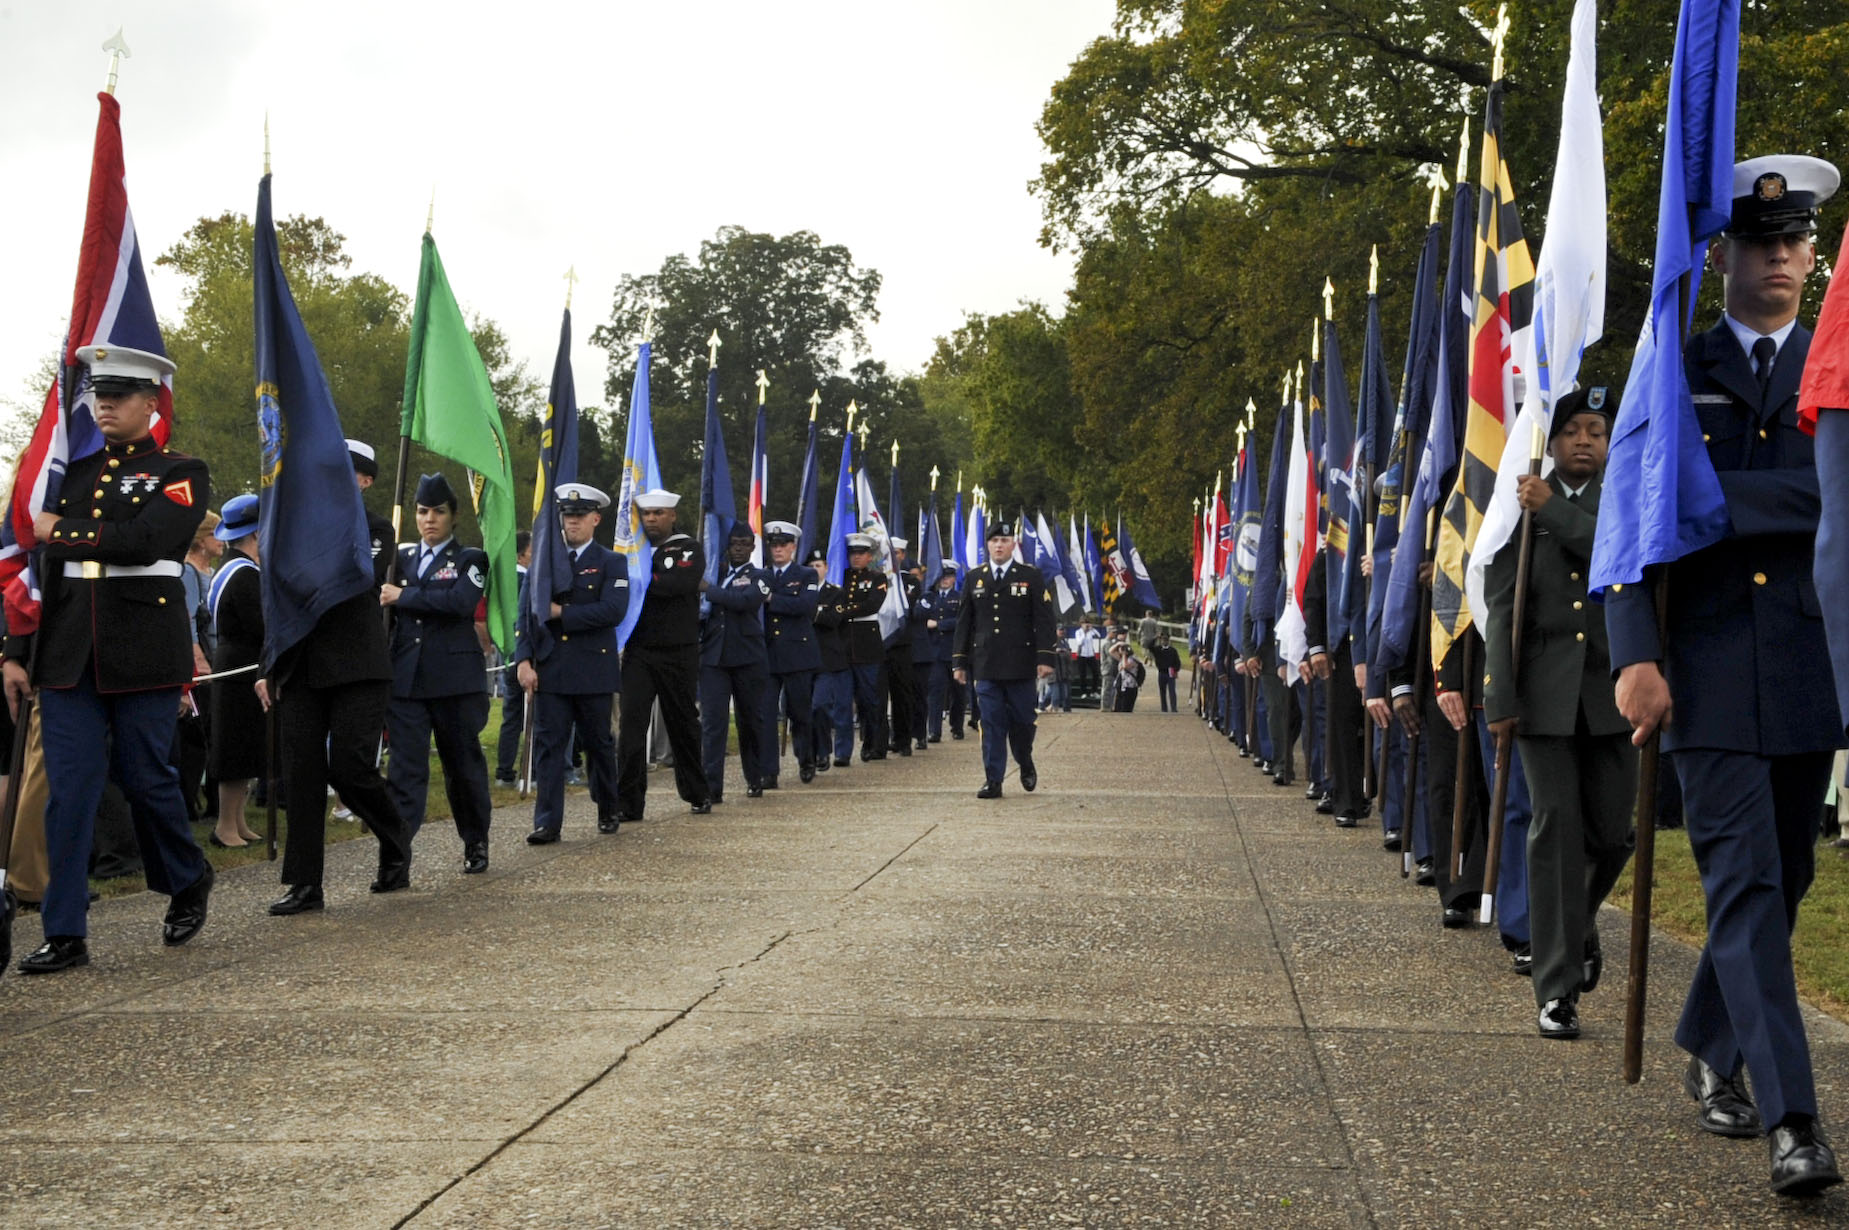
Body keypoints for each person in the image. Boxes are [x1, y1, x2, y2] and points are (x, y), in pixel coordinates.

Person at [1607, 155, 1844, 1196]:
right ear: (1724, 257)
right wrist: (1635, 657)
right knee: (1743, 885)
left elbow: (1828, 510)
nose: (1782, 258)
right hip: (1698, 663)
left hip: (1807, 660)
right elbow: (1631, 521)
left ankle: (1705, 1032)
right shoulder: (1673, 364)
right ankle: (1793, 1119)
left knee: (1785, 878)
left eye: (1795, 242)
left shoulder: (1832, 370)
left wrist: (1702, 501)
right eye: (1761, 244)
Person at [3, 345, 215, 972]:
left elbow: (146, 540)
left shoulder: (181, 471)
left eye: (120, 396)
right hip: (68, 650)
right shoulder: (70, 473)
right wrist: (17, 650)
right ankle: (65, 929)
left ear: (153, 402)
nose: (106, 405)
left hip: (143, 646)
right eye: (99, 394)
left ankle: (186, 875)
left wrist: (57, 530)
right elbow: (36, 573)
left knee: (147, 778)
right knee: (68, 793)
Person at [1483, 385, 1634, 1041]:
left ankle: (1574, 929)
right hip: (1542, 698)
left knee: (1611, 836)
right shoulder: (1517, 508)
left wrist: (1555, 515)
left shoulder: (1625, 500)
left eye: (1595, 431)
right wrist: (1498, 697)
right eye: (1572, 430)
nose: (1583, 441)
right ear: (1554, 440)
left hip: (1612, 693)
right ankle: (1556, 987)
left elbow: (1619, 561)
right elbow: (1499, 608)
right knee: (1554, 832)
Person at [264, 442, 414, 915]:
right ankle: (305, 883)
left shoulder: (374, 527)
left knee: (350, 766)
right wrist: (269, 664)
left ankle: (395, 841)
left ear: (364, 480)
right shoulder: (292, 524)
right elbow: (275, 596)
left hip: (357, 664)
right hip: (302, 663)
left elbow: (359, 576)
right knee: (302, 774)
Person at [380, 473, 494, 875]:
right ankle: (395, 857)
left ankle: (475, 841)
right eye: (423, 511)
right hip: (407, 682)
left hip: (454, 682)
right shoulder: (401, 560)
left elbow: (462, 602)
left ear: (453, 516)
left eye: (438, 512)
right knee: (404, 773)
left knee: (462, 767)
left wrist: (404, 596)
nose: (430, 519)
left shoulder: (470, 559)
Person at [516, 485, 626, 842]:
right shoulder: (545, 562)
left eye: (579, 516)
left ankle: (608, 807)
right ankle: (547, 822)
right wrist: (523, 660)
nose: (572, 522)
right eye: (567, 515)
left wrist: (564, 612)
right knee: (550, 748)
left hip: (593, 668)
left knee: (598, 743)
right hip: (552, 666)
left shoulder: (611, 562)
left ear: (596, 519)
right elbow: (526, 614)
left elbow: (613, 610)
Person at [614, 489, 711, 819]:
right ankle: (628, 803)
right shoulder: (633, 550)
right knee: (631, 727)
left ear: (672, 516)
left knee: (683, 724)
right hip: (640, 651)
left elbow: (678, 584)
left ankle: (697, 792)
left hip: (678, 651)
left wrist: (640, 580)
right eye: (647, 514)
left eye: (658, 513)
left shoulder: (688, 548)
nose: (652, 519)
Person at [951, 520, 1057, 798]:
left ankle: (1025, 759)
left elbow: (1044, 620)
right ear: (987, 545)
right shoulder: (975, 577)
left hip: (1020, 662)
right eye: (994, 541)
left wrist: (1045, 657)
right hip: (985, 664)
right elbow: (965, 622)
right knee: (991, 721)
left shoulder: (1030, 576)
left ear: (1013, 545)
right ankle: (993, 779)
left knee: (1022, 720)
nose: (999, 545)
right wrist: (960, 662)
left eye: (1005, 541)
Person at [205, 495, 265, 849]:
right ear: (255, 533)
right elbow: (260, 625)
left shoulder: (238, 567)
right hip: (238, 666)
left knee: (248, 747)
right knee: (235, 748)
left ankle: (238, 821)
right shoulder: (242, 575)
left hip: (241, 661)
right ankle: (225, 825)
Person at [699, 521, 771, 800]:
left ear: (753, 548)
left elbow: (745, 602)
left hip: (747, 659)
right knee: (713, 724)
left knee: (750, 721)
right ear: (726, 547)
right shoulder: (714, 572)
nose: (738, 549)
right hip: (714, 658)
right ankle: (711, 787)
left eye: (744, 544)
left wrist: (708, 589)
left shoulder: (761, 575)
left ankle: (754, 777)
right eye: (734, 544)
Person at [760, 521, 821, 786]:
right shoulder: (762, 575)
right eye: (774, 545)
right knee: (765, 714)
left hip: (797, 653)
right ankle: (769, 770)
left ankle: (806, 759)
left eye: (783, 545)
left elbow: (806, 606)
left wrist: (773, 599)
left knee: (799, 713)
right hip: (768, 653)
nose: (778, 550)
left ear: (793, 547)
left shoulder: (805, 574)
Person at [841, 534, 890, 761]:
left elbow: (872, 605)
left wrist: (843, 610)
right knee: (845, 700)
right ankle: (845, 749)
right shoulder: (842, 576)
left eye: (861, 553)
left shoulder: (877, 577)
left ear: (869, 556)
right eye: (853, 553)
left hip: (867, 644)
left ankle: (874, 743)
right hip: (843, 643)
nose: (856, 557)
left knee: (870, 698)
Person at [808, 547, 856, 770]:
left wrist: (809, 611)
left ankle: (825, 751)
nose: (814, 570)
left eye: (818, 566)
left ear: (826, 568)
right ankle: (813, 753)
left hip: (827, 659)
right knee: (803, 710)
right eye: (810, 566)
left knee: (822, 706)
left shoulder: (835, 592)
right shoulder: (799, 590)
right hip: (802, 658)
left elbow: (833, 618)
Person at [495, 530, 533, 785]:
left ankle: (504, 772)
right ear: (521, 556)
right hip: (524, 653)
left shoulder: (505, 581)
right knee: (532, 716)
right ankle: (532, 773)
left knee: (511, 717)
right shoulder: (525, 582)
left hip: (508, 653)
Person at [882, 537, 920, 756]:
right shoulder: (879, 578)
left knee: (902, 695)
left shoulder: (910, 581)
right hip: (879, 643)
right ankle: (879, 741)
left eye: (896, 553)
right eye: (889, 553)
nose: (893, 557)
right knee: (877, 696)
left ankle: (903, 739)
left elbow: (910, 605)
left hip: (902, 644)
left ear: (903, 556)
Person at [920, 567, 963, 740]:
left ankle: (956, 726)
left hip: (954, 650)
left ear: (954, 579)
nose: (945, 580)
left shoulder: (959, 598)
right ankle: (934, 730)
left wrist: (939, 624)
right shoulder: (929, 597)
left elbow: (962, 620)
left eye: (949, 576)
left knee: (958, 692)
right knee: (935, 692)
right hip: (934, 651)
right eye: (942, 576)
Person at [1152, 632, 1182, 713]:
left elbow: (1178, 662)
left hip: (1170, 672)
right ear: (1160, 640)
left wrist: (1175, 670)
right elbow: (1149, 646)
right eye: (1162, 640)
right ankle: (1164, 708)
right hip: (1161, 672)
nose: (1164, 642)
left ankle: (1173, 708)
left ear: (1168, 641)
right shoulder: (1158, 649)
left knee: (1172, 691)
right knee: (1162, 691)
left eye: (1166, 640)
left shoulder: (1173, 650)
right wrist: (1155, 638)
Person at [1112, 643, 1144, 713]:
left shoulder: (1133, 659)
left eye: (1121, 651)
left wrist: (1124, 655)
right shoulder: (1122, 658)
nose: (1119, 652)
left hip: (1130, 686)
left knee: (1126, 709)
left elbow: (1125, 666)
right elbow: (1111, 651)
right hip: (1122, 685)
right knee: (1118, 708)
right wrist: (1119, 644)